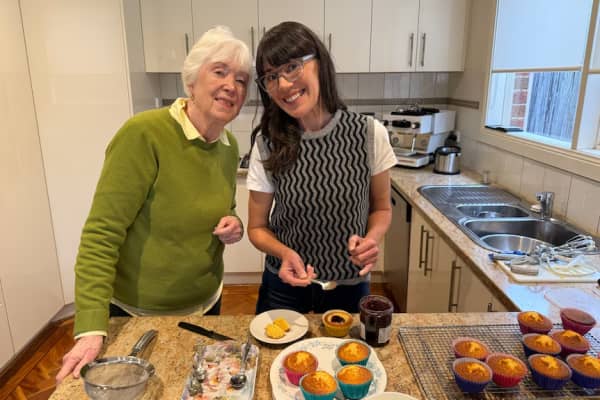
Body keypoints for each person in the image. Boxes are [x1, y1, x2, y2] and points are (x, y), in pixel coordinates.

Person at [56, 26, 251, 383]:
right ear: (192, 81)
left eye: (242, 79)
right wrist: (90, 324)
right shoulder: (144, 134)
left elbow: (222, 206)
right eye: (220, 71)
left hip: (208, 303)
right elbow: (102, 233)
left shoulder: (227, 147)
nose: (232, 85)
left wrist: (234, 222)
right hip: (138, 314)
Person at [247, 21, 397, 314]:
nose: (283, 85)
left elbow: (382, 208)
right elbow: (257, 227)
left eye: (292, 67)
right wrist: (284, 253)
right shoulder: (268, 142)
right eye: (271, 76)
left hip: (350, 285)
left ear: (319, 63)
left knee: (347, 360)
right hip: (285, 285)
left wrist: (371, 239)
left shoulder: (369, 133)